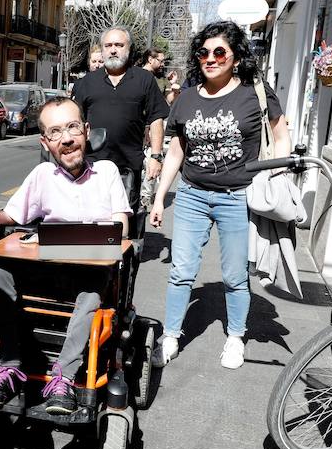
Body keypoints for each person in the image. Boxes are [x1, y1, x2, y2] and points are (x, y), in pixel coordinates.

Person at [0, 97, 131, 414]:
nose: (67, 139)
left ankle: (64, 378)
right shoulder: (42, 175)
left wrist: (72, 240)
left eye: (72, 127)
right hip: (46, 272)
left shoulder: (108, 172)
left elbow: (119, 230)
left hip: (90, 275)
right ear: (45, 142)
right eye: (56, 132)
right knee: (0, 269)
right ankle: (10, 367)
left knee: (93, 286)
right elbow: (14, 215)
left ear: (85, 131)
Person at [149, 21, 291, 370]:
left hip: (237, 196)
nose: (210, 59)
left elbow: (281, 134)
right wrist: (158, 197)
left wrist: (272, 174)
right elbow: (177, 151)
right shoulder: (187, 98)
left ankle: (235, 338)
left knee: (234, 275)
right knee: (182, 270)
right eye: (203, 53)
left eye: (218, 52)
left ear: (235, 56)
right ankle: (170, 335)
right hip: (192, 195)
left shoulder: (254, 93)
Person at [71, 27, 170, 246]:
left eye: (119, 45)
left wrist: (156, 156)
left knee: (126, 222)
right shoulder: (87, 82)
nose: (113, 50)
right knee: (92, 220)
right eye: (108, 46)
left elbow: (155, 119)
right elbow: (75, 122)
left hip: (128, 167)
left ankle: (124, 269)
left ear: (129, 49)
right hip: (92, 166)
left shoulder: (144, 79)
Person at [138, 47, 178, 210]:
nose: (162, 64)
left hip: (155, 125)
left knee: (152, 160)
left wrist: (174, 88)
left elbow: (170, 101)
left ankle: (145, 197)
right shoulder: (136, 75)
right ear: (150, 59)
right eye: (160, 60)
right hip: (137, 125)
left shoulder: (162, 79)